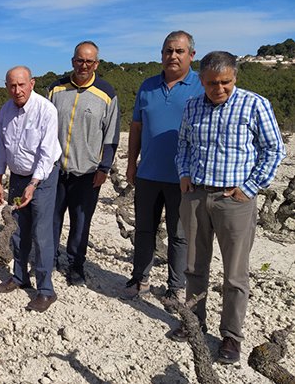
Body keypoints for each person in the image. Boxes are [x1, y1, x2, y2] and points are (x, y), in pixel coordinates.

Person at [173, 51, 285, 364]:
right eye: (211, 83)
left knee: (234, 275)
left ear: (235, 77)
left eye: (225, 82)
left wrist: (249, 188)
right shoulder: (193, 105)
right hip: (195, 195)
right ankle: (194, 323)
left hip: (234, 201)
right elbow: (183, 144)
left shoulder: (255, 104)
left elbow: (275, 150)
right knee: (194, 267)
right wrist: (183, 173)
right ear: (201, 80)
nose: (219, 89)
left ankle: (231, 338)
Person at [121, 31, 204, 305]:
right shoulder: (147, 86)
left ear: (191, 55)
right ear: (161, 55)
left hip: (184, 178)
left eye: (179, 51)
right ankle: (139, 279)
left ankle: (176, 287)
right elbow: (136, 127)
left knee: (179, 235)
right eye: (168, 51)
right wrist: (131, 163)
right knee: (144, 230)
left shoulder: (201, 87)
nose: (173, 56)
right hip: (148, 174)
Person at [48, 41, 120, 286]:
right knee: (52, 218)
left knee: (81, 223)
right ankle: (50, 257)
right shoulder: (55, 89)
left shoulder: (106, 93)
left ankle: (76, 265)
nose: (84, 65)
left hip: (88, 173)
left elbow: (111, 136)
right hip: (55, 170)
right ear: (72, 61)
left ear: (96, 64)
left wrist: (104, 168)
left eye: (89, 61)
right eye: (80, 60)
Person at [0, 66, 62, 312]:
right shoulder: (5, 110)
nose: (17, 90)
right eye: (12, 85)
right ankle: (19, 276)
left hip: (42, 178)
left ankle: (46, 290)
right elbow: (1, 146)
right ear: (6, 86)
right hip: (17, 176)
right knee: (17, 230)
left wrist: (33, 184)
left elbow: (46, 153)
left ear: (31, 83)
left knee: (41, 233)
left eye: (22, 85)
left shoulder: (46, 110)